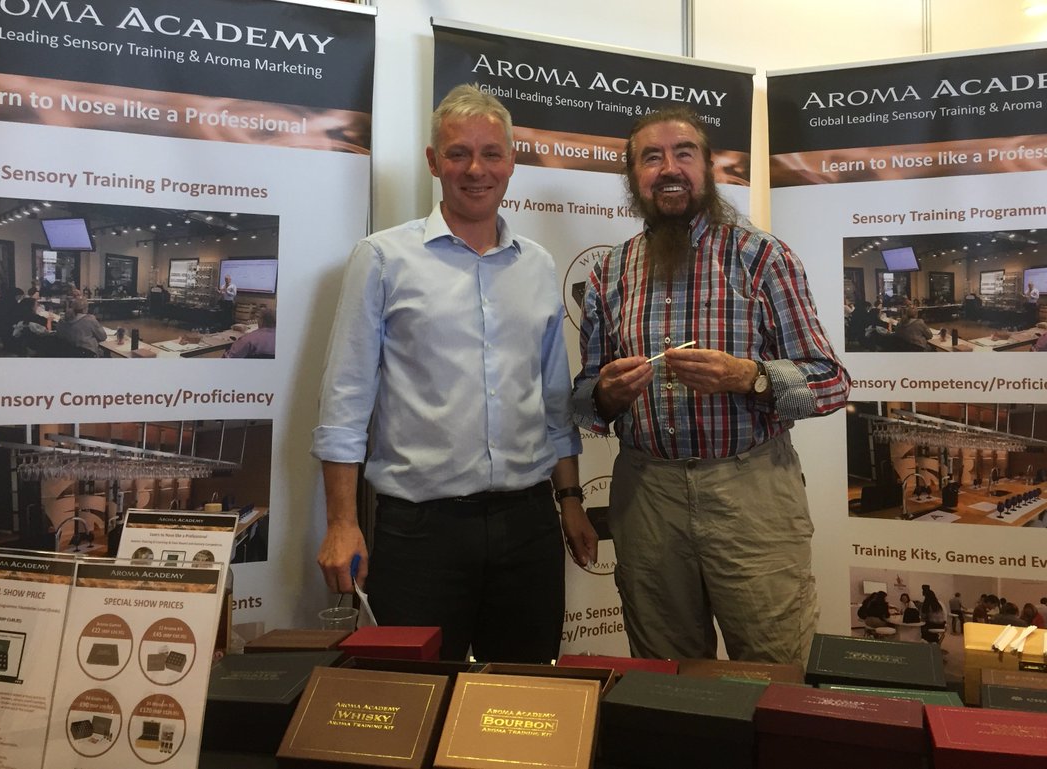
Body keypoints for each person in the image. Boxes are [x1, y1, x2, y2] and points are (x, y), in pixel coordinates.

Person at [312, 84, 598, 663]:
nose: (476, 169)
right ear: (433, 161)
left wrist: (569, 500)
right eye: (459, 153)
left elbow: (552, 399)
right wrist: (342, 523)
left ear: (512, 161)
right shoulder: (384, 258)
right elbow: (346, 400)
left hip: (528, 524)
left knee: (522, 699)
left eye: (492, 153)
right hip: (421, 533)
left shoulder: (538, 266)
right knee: (415, 699)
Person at [571, 106, 849, 663]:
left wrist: (751, 377)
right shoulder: (610, 272)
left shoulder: (762, 257)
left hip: (751, 495)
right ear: (633, 177)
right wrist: (606, 394)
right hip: (646, 495)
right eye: (651, 157)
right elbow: (584, 397)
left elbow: (832, 382)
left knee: (774, 668)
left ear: (708, 167)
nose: (668, 168)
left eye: (683, 153)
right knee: (665, 674)